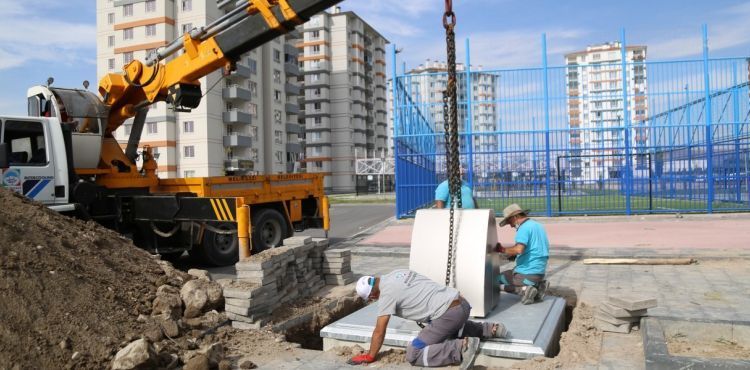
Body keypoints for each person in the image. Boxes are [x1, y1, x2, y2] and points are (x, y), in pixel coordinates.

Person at [347, 270, 508, 369]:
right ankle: (490, 329)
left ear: (373, 295)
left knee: (414, 353)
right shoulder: (396, 273)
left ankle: (462, 347)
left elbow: (379, 331)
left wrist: (370, 355)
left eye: (372, 299)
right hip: (462, 304)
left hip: (449, 314)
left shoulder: (386, 294)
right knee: (444, 328)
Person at [496, 204, 550, 305]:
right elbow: (535, 248)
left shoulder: (523, 228)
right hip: (539, 272)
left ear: (515, 217)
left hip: (527, 273)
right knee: (510, 273)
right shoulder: (537, 225)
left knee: (495, 281)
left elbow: (519, 249)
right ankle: (538, 287)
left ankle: (524, 290)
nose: (511, 226)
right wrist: (513, 255)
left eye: (509, 222)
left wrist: (502, 249)